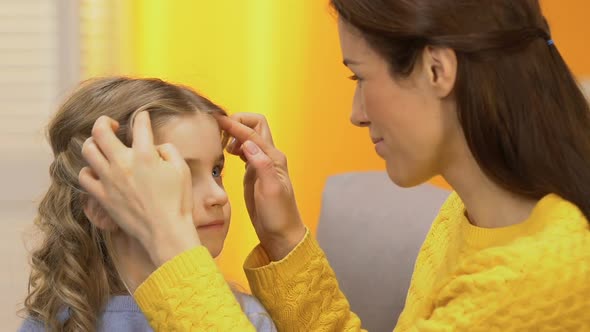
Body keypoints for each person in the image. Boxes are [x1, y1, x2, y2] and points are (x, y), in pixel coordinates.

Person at [78, 0, 590, 331]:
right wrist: (284, 239)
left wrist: (169, 242)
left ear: (438, 69)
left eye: (359, 78)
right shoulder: (469, 216)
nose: (356, 115)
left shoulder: (542, 274)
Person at [19, 77, 276, 331]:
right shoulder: (50, 325)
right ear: (100, 207)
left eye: (216, 171)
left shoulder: (248, 318)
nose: (218, 196)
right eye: (179, 174)